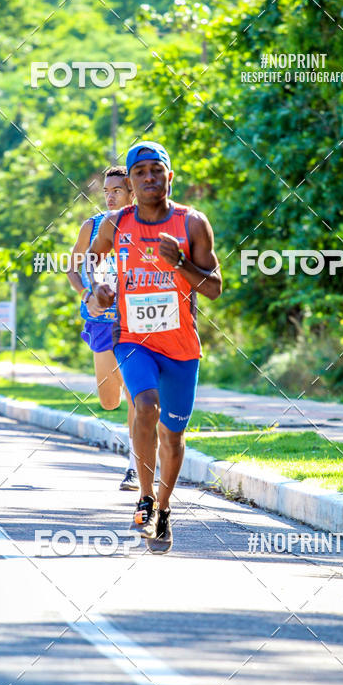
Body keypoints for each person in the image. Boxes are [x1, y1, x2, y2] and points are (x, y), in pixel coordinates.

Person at [85, 141, 222, 553]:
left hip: (180, 346)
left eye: (155, 170)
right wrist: (100, 288)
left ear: (169, 176)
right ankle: (144, 498)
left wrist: (180, 263)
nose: (148, 178)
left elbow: (214, 288)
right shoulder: (115, 223)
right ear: (130, 180)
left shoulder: (192, 223)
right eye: (140, 171)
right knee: (144, 405)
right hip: (132, 340)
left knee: (173, 436)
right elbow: (92, 259)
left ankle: (163, 508)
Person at [67, 165, 138, 491]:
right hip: (100, 323)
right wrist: (87, 294)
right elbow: (73, 268)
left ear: (132, 192)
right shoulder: (92, 226)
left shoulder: (145, 225)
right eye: (106, 191)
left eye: (117, 191)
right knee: (110, 400)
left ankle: (135, 466)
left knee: (139, 396)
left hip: (137, 324)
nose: (110, 197)